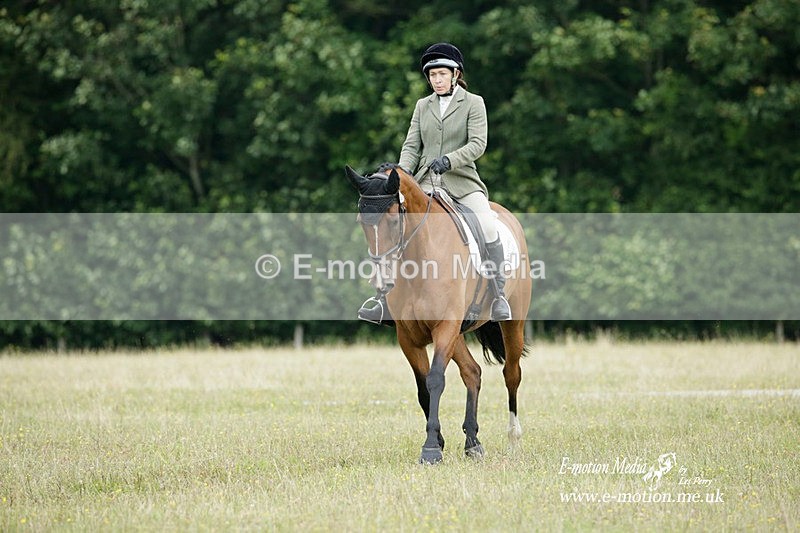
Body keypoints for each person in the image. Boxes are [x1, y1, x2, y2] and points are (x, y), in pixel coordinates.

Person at [358, 42, 512, 324]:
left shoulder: (474, 103)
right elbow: (411, 145)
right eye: (432, 76)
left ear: (455, 74)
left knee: (488, 225)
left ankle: (498, 291)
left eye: (442, 74)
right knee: (396, 226)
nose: (437, 80)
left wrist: (450, 160)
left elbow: (478, 144)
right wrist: (401, 175)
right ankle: (383, 298)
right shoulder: (422, 106)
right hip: (424, 184)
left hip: (463, 183)